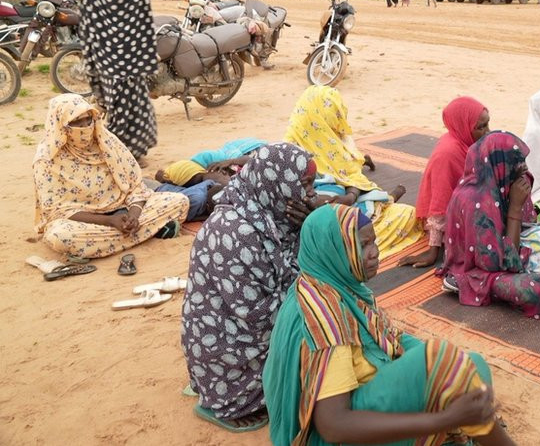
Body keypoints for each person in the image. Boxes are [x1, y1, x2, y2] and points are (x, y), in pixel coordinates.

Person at [263, 205, 516, 446]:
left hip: (364, 396)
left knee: (469, 363)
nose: (374, 252)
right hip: (340, 434)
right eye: (361, 245)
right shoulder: (325, 317)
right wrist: (443, 419)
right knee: (445, 366)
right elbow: (333, 425)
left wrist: (443, 365)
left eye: (372, 241)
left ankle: (466, 425)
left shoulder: (336, 286)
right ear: (334, 251)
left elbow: (389, 339)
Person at [182, 143, 318, 432]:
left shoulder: (273, 215)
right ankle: (227, 400)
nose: (312, 194)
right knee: (323, 349)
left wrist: (308, 229)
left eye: (312, 185)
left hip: (255, 321)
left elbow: (290, 278)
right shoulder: (234, 231)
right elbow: (260, 316)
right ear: (275, 183)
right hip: (231, 345)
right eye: (305, 185)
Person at [33, 94, 188, 260]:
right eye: (76, 123)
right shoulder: (46, 159)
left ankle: (115, 239)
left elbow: (136, 187)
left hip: (124, 210)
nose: (85, 127)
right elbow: (56, 211)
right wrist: (110, 221)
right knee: (60, 237)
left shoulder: (107, 143)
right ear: (60, 125)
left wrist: (134, 217)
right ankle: (149, 232)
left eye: (88, 120)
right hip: (83, 221)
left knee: (179, 201)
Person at [443, 132, 540, 318]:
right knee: (531, 290)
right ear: (499, 164)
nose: (524, 168)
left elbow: (528, 224)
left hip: (510, 247)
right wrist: (515, 207)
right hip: (481, 270)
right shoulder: (476, 202)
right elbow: (506, 264)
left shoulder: (504, 181)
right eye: (516, 163)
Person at [284, 86, 423, 257]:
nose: (337, 123)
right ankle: (348, 251)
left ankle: (382, 204)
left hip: (345, 205)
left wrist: (349, 197)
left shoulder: (329, 140)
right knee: (405, 216)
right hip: (322, 225)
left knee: (404, 213)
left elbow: (351, 176)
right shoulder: (287, 156)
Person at [79, 0, 158, 161]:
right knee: (133, 109)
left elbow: (87, 26)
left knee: (120, 109)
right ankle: (125, 155)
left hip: (107, 60)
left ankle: (128, 154)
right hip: (130, 59)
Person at [400, 97, 490, 268]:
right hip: (450, 218)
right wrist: (433, 250)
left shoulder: (465, 141)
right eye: (481, 127)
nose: (488, 131)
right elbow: (439, 203)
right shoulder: (447, 154)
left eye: (487, 124)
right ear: (464, 125)